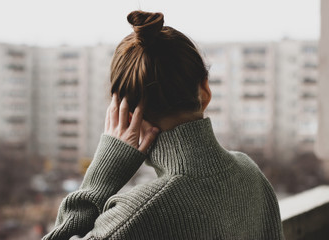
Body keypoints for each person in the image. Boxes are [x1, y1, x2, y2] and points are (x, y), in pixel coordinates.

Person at [42, 10, 284, 240]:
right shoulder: (251, 176)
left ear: (126, 118)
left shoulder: (138, 215)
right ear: (205, 91)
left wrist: (101, 176)